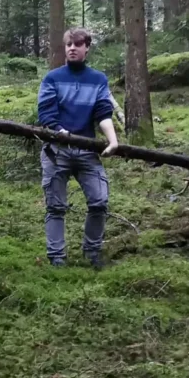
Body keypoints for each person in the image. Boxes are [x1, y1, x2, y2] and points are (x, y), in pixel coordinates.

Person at [37, 27, 120, 270]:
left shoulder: (98, 79)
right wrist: (59, 132)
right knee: (55, 206)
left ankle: (92, 252)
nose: (72, 48)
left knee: (99, 201)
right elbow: (46, 114)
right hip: (56, 151)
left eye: (77, 44)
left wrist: (112, 140)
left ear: (87, 47)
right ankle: (57, 257)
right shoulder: (52, 78)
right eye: (68, 45)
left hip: (87, 150)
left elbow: (103, 113)